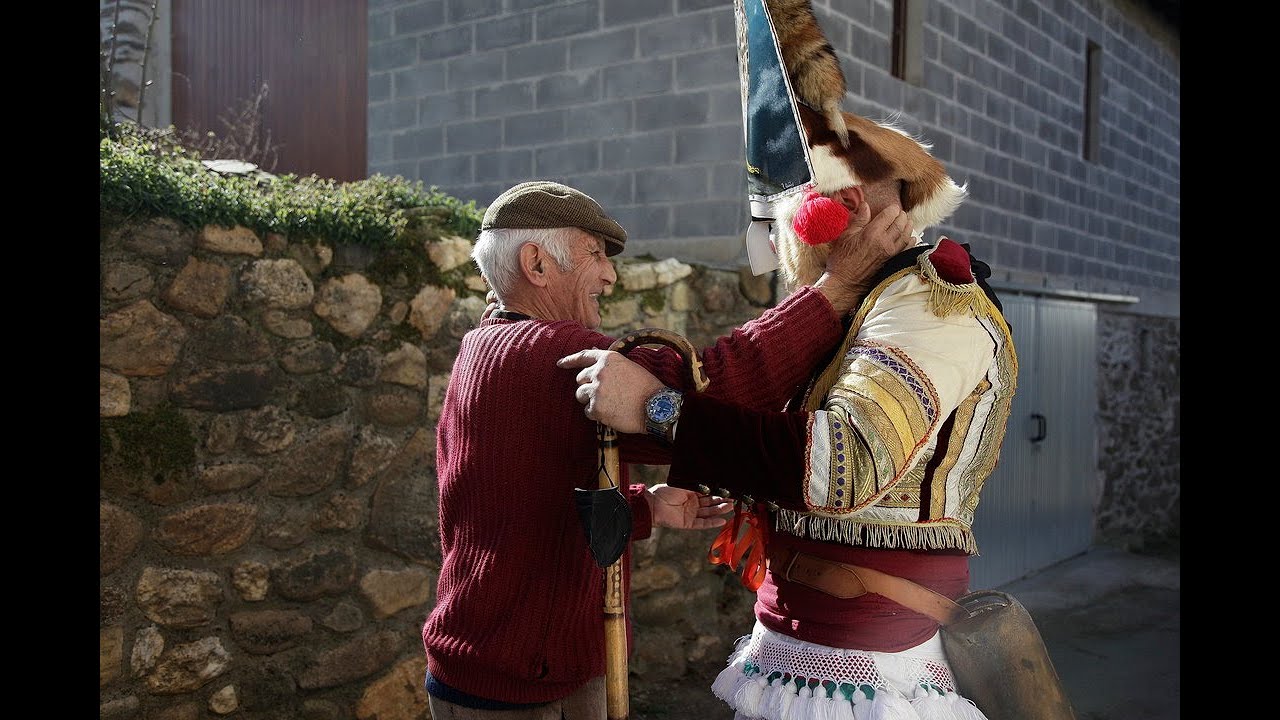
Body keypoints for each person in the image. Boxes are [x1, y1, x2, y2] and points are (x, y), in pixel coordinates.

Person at [558, 7, 1019, 710]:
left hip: (865, 651)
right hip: (806, 635)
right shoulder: (861, 308)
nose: (780, 248)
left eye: (785, 223)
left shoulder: (931, 303)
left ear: (836, 212)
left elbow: (845, 467)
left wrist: (660, 410)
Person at [421, 179, 918, 720]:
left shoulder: (488, 344)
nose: (611, 274)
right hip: (517, 683)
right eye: (594, 255)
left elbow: (519, 506)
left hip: (504, 664)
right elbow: (718, 389)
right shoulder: (547, 353)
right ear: (537, 264)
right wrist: (839, 284)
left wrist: (643, 506)